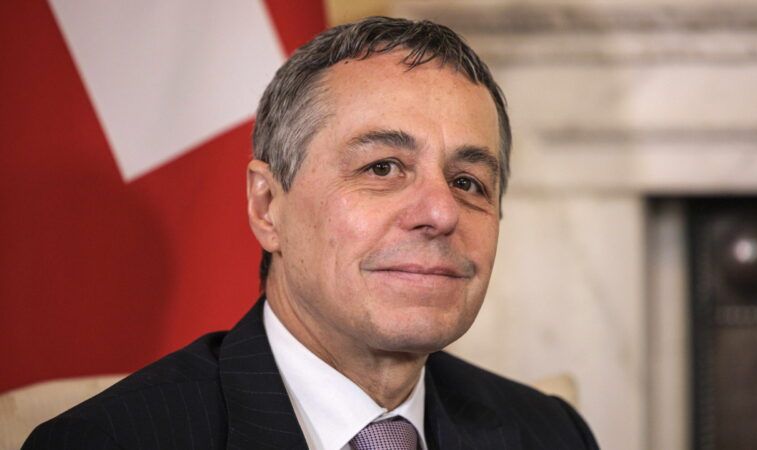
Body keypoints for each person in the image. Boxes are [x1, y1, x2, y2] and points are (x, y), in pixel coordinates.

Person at [24, 17, 598, 450]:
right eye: (382, 168)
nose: (441, 213)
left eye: (469, 181)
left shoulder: (550, 433)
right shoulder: (113, 440)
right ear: (268, 206)